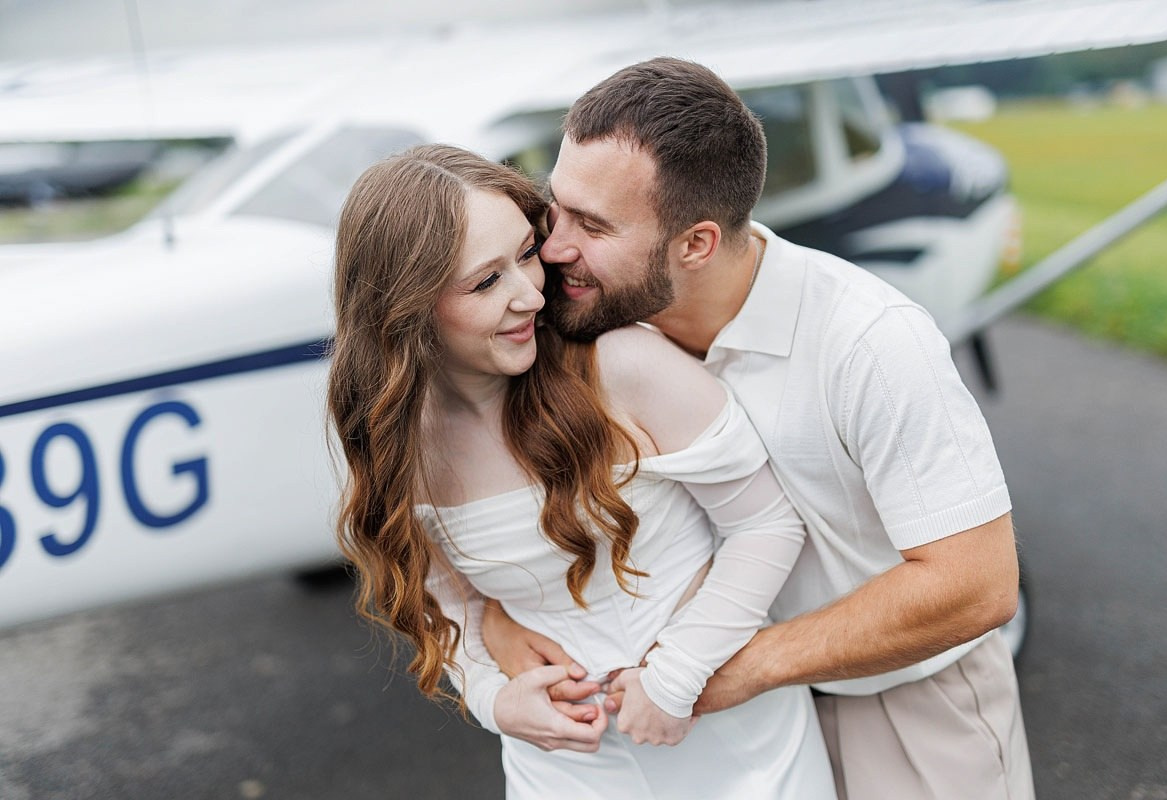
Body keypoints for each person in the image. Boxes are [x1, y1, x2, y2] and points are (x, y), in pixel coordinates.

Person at [480, 57, 1036, 800]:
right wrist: (495, 624)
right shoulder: (579, 323)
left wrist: (739, 668)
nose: (552, 248)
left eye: (593, 224)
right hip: (721, 736)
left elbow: (978, 585)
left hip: (898, 706)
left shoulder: (871, 341)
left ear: (697, 244)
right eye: (558, 206)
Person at [326, 144, 836, 798]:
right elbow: (448, 600)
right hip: (564, 773)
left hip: (740, 751)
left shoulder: (623, 367)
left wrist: (674, 678)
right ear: (405, 308)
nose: (530, 294)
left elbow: (767, 524)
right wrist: (494, 701)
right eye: (486, 282)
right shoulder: (400, 438)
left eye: (526, 253)